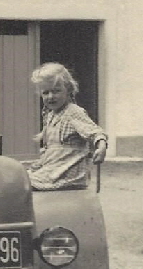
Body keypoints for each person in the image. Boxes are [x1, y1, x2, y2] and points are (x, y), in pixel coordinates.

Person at [27, 63, 107, 191]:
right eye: (46, 93)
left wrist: (101, 147)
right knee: (19, 178)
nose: (51, 96)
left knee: (24, 183)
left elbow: (95, 132)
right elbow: (51, 149)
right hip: (53, 167)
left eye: (56, 91)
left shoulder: (73, 112)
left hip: (68, 172)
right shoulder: (50, 114)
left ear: (68, 90)